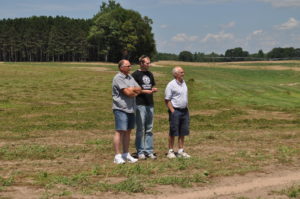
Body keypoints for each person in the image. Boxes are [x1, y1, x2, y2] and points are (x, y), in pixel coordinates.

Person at [112, 59, 142, 164]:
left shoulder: (130, 77)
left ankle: (125, 153)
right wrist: (133, 90)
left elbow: (139, 89)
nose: (130, 68)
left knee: (128, 131)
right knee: (120, 131)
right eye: (128, 66)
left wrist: (132, 89)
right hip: (121, 108)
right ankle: (117, 156)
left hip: (131, 109)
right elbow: (127, 93)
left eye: (130, 66)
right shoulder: (118, 78)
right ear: (121, 67)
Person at [132, 55, 158, 160]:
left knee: (149, 128)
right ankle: (140, 151)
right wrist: (144, 91)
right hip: (140, 104)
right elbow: (133, 89)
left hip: (149, 104)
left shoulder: (150, 74)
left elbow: (151, 86)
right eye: (147, 63)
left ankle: (149, 150)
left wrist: (153, 89)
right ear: (141, 63)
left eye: (149, 62)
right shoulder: (135, 74)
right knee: (140, 129)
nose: (149, 64)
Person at [164, 66, 191, 159]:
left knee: (182, 131)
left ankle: (180, 150)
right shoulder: (171, 85)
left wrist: (187, 108)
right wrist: (173, 111)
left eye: (183, 72)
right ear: (175, 74)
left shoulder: (184, 83)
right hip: (175, 111)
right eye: (181, 72)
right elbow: (167, 99)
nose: (183, 74)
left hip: (184, 111)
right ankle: (170, 151)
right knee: (173, 131)